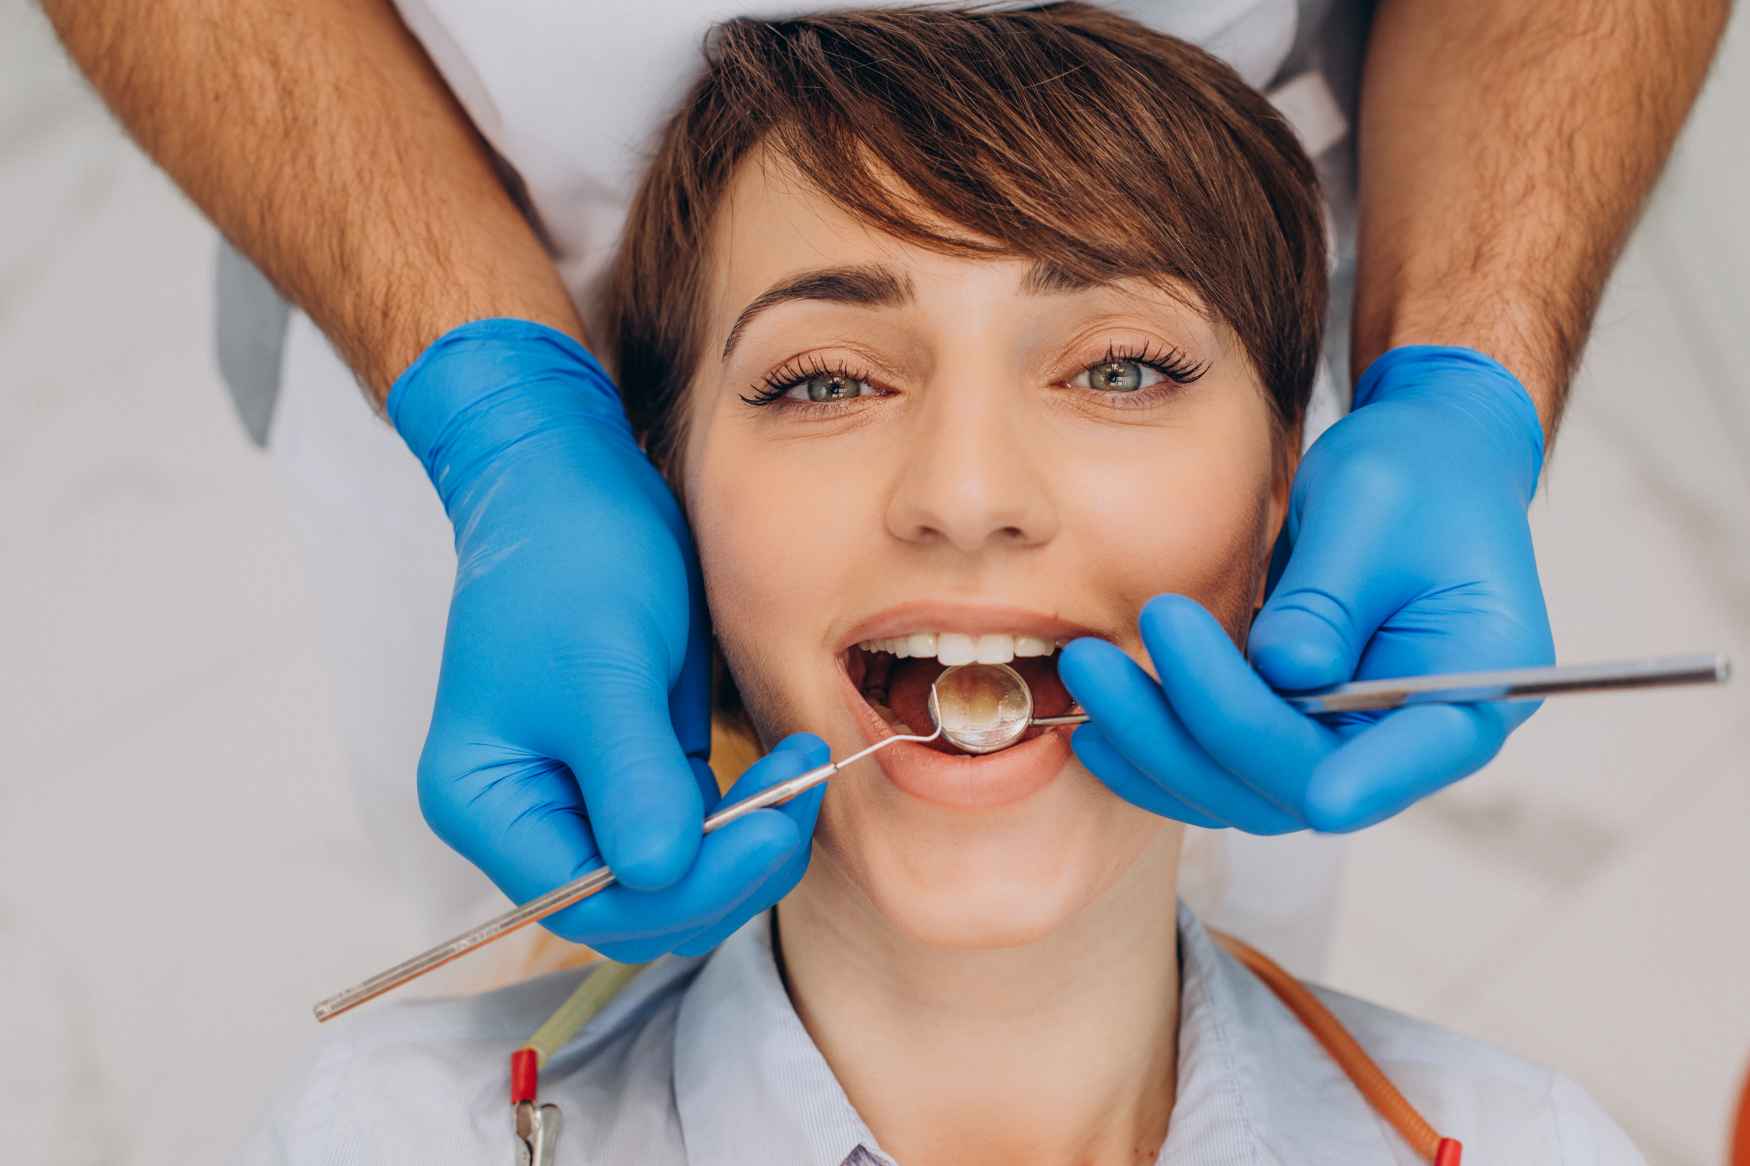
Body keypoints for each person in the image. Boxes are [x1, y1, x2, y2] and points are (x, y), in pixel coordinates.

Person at [42, 0, 1729, 971]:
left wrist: (1460, 379)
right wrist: (499, 418)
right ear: (665, 457)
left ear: (1284, 469)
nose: (967, 493)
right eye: (821, 381)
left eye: (1119, 369)